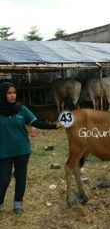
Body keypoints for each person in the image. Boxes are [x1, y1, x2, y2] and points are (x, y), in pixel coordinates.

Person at [0, 81, 63, 215]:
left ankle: (18, 204)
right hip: (4, 151)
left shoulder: (21, 109)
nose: (12, 96)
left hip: (22, 150)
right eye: (9, 93)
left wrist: (54, 126)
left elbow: (36, 123)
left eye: (14, 93)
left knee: (20, 177)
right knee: (3, 179)